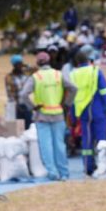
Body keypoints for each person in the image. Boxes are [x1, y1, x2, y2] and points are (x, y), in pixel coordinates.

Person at [22, 51, 75, 181]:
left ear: (37, 63)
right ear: (49, 61)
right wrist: (67, 104)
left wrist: (33, 106)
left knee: (46, 146)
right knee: (59, 145)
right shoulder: (58, 75)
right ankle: (64, 173)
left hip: (42, 116)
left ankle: (53, 173)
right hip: (58, 114)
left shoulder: (35, 77)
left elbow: (23, 94)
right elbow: (73, 88)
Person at [71, 45, 106, 175]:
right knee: (102, 139)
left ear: (77, 63)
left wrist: (72, 117)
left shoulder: (73, 75)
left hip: (83, 112)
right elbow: (104, 91)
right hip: (98, 110)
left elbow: (71, 97)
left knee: (87, 140)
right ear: (89, 60)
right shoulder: (95, 71)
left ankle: (88, 167)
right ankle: (102, 167)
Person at [4, 54, 34, 129]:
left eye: (20, 63)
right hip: (16, 106)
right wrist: (15, 104)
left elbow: (36, 69)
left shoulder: (26, 74)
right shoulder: (9, 77)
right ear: (13, 65)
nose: (19, 66)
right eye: (17, 64)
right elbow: (9, 93)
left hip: (27, 104)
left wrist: (26, 65)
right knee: (19, 128)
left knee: (29, 126)